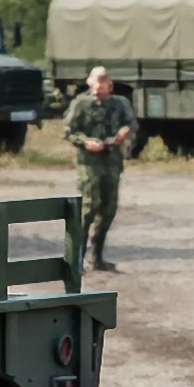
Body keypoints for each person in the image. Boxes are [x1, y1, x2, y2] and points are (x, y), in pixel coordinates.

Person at [61, 65, 135, 273]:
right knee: (89, 207)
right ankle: (77, 259)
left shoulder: (120, 103)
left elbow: (130, 123)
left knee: (109, 208)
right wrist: (85, 142)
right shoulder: (81, 104)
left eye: (103, 85)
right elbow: (69, 131)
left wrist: (124, 132)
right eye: (95, 85)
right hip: (89, 161)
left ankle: (97, 256)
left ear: (109, 85)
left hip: (112, 160)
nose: (99, 89)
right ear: (89, 84)